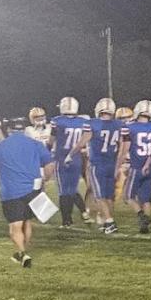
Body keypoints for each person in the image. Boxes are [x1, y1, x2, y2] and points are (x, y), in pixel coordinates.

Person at [0, 117, 54, 267]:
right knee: (27, 222)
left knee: (15, 226)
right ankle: (24, 251)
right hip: (33, 189)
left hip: (11, 191)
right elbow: (49, 164)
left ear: (8, 130)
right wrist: (45, 179)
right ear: (24, 129)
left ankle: (22, 253)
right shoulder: (36, 144)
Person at [120, 99, 151, 234]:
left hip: (137, 167)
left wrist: (118, 163)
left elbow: (124, 149)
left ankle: (141, 216)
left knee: (127, 196)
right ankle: (145, 226)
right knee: (146, 199)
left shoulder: (130, 127)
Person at [48, 96, 90, 228]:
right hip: (76, 159)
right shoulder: (83, 121)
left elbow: (51, 140)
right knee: (72, 189)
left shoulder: (57, 121)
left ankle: (66, 220)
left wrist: (46, 151)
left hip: (61, 158)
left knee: (63, 191)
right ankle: (83, 212)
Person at [85, 97, 123, 234]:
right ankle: (109, 221)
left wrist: (71, 153)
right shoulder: (118, 124)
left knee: (99, 196)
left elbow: (83, 141)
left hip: (97, 164)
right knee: (109, 196)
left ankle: (109, 222)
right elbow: (121, 145)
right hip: (111, 163)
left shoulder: (93, 123)